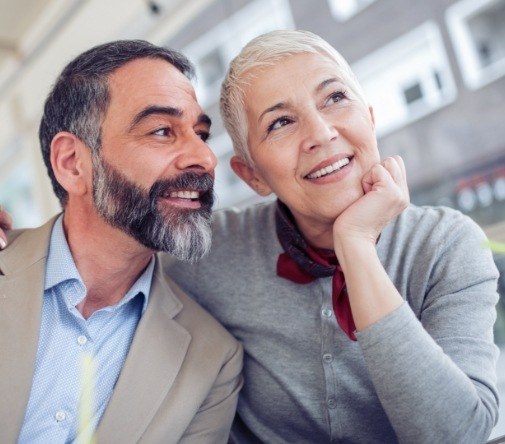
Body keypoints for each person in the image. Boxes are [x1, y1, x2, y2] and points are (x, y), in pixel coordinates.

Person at [0, 30, 500, 443]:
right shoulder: (204, 251)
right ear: (252, 176)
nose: (322, 132)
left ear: (370, 119)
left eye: (336, 98)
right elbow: (109, 243)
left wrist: (357, 247)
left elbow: (460, 434)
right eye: (281, 122)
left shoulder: (445, 245)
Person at [0, 40, 242, 443]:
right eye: (163, 130)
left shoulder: (213, 363)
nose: (205, 157)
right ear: (73, 164)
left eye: (200, 133)